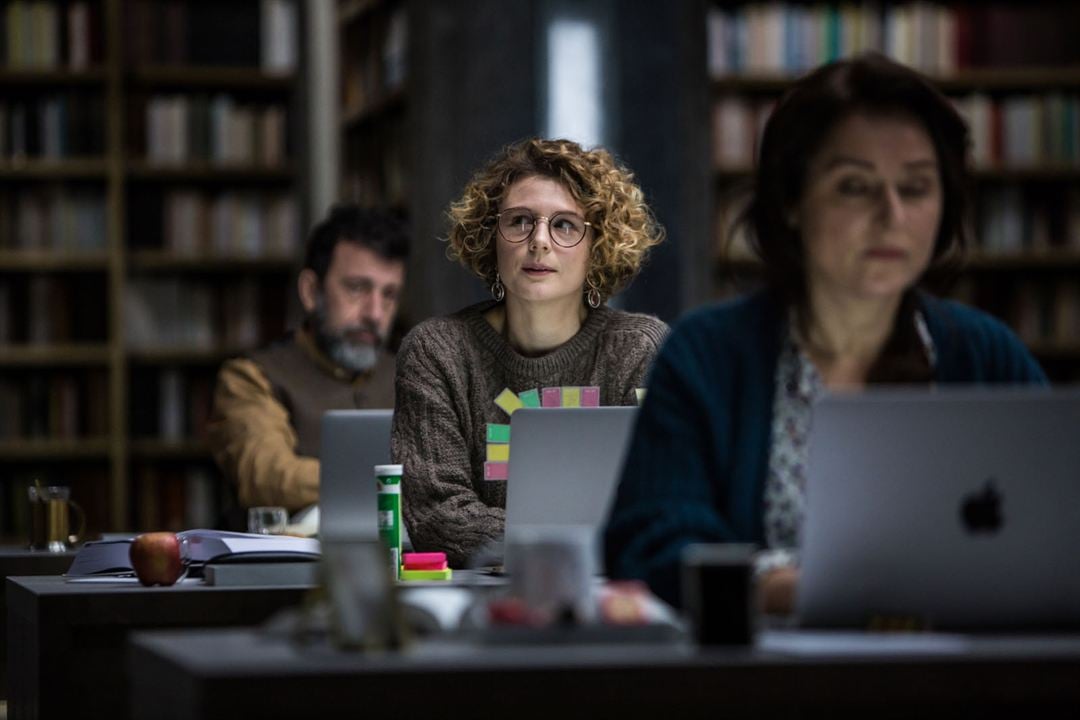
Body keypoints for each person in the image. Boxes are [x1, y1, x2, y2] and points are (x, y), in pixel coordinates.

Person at [603, 53, 1048, 613]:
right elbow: (650, 543)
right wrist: (791, 590)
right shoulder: (708, 354)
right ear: (791, 200)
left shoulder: (987, 355)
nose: (891, 215)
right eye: (855, 187)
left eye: (915, 189)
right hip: (763, 687)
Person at [391, 137, 667, 567]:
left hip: (609, 596)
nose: (539, 241)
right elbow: (436, 515)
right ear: (491, 238)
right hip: (480, 600)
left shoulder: (639, 349)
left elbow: (660, 499)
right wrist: (580, 545)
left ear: (598, 247)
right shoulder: (438, 351)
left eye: (565, 225)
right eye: (520, 221)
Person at [208, 204, 408, 514]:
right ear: (311, 291)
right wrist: (397, 481)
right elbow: (266, 477)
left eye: (389, 294)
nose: (375, 314)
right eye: (357, 288)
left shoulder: (412, 377)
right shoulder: (250, 378)